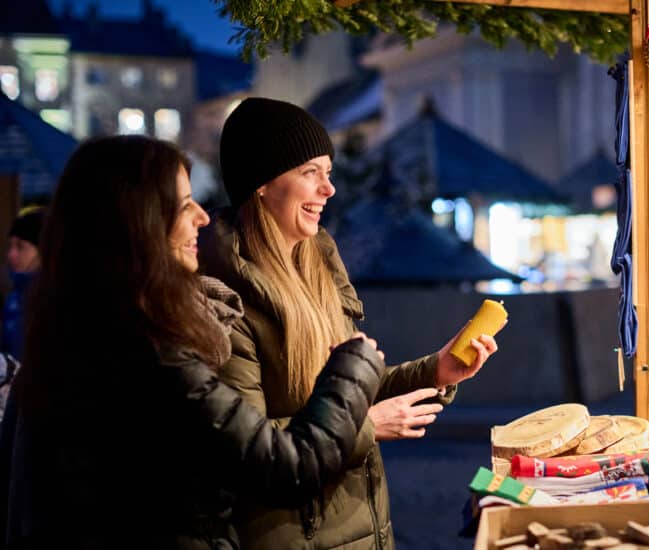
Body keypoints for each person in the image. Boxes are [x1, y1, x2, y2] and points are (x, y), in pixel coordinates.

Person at [0, 135, 387, 549]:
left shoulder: (72, 331)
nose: (202, 217)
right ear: (139, 220)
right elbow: (283, 465)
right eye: (184, 204)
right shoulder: (150, 353)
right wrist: (353, 369)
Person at [200, 97, 501, 549]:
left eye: (329, 172)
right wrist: (365, 427)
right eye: (310, 173)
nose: (329, 189)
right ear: (262, 183)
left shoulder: (320, 266)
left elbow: (346, 399)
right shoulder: (225, 300)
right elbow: (248, 455)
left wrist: (436, 370)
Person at [1, 208, 44, 360]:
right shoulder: (12, 300)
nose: (11, 254)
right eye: (10, 246)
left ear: (42, 250)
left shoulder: (53, 299)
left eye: (20, 247)